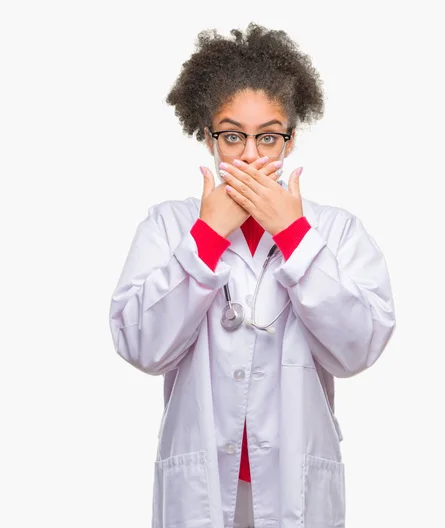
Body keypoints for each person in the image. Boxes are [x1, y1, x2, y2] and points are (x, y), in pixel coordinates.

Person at [109, 23, 396, 528]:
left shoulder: (334, 230)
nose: (250, 155)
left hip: (296, 484)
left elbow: (359, 348)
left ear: (290, 139)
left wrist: (294, 235)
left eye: (267, 137)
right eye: (233, 136)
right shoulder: (168, 225)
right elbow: (140, 345)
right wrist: (207, 236)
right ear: (208, 138)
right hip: (199, 483)